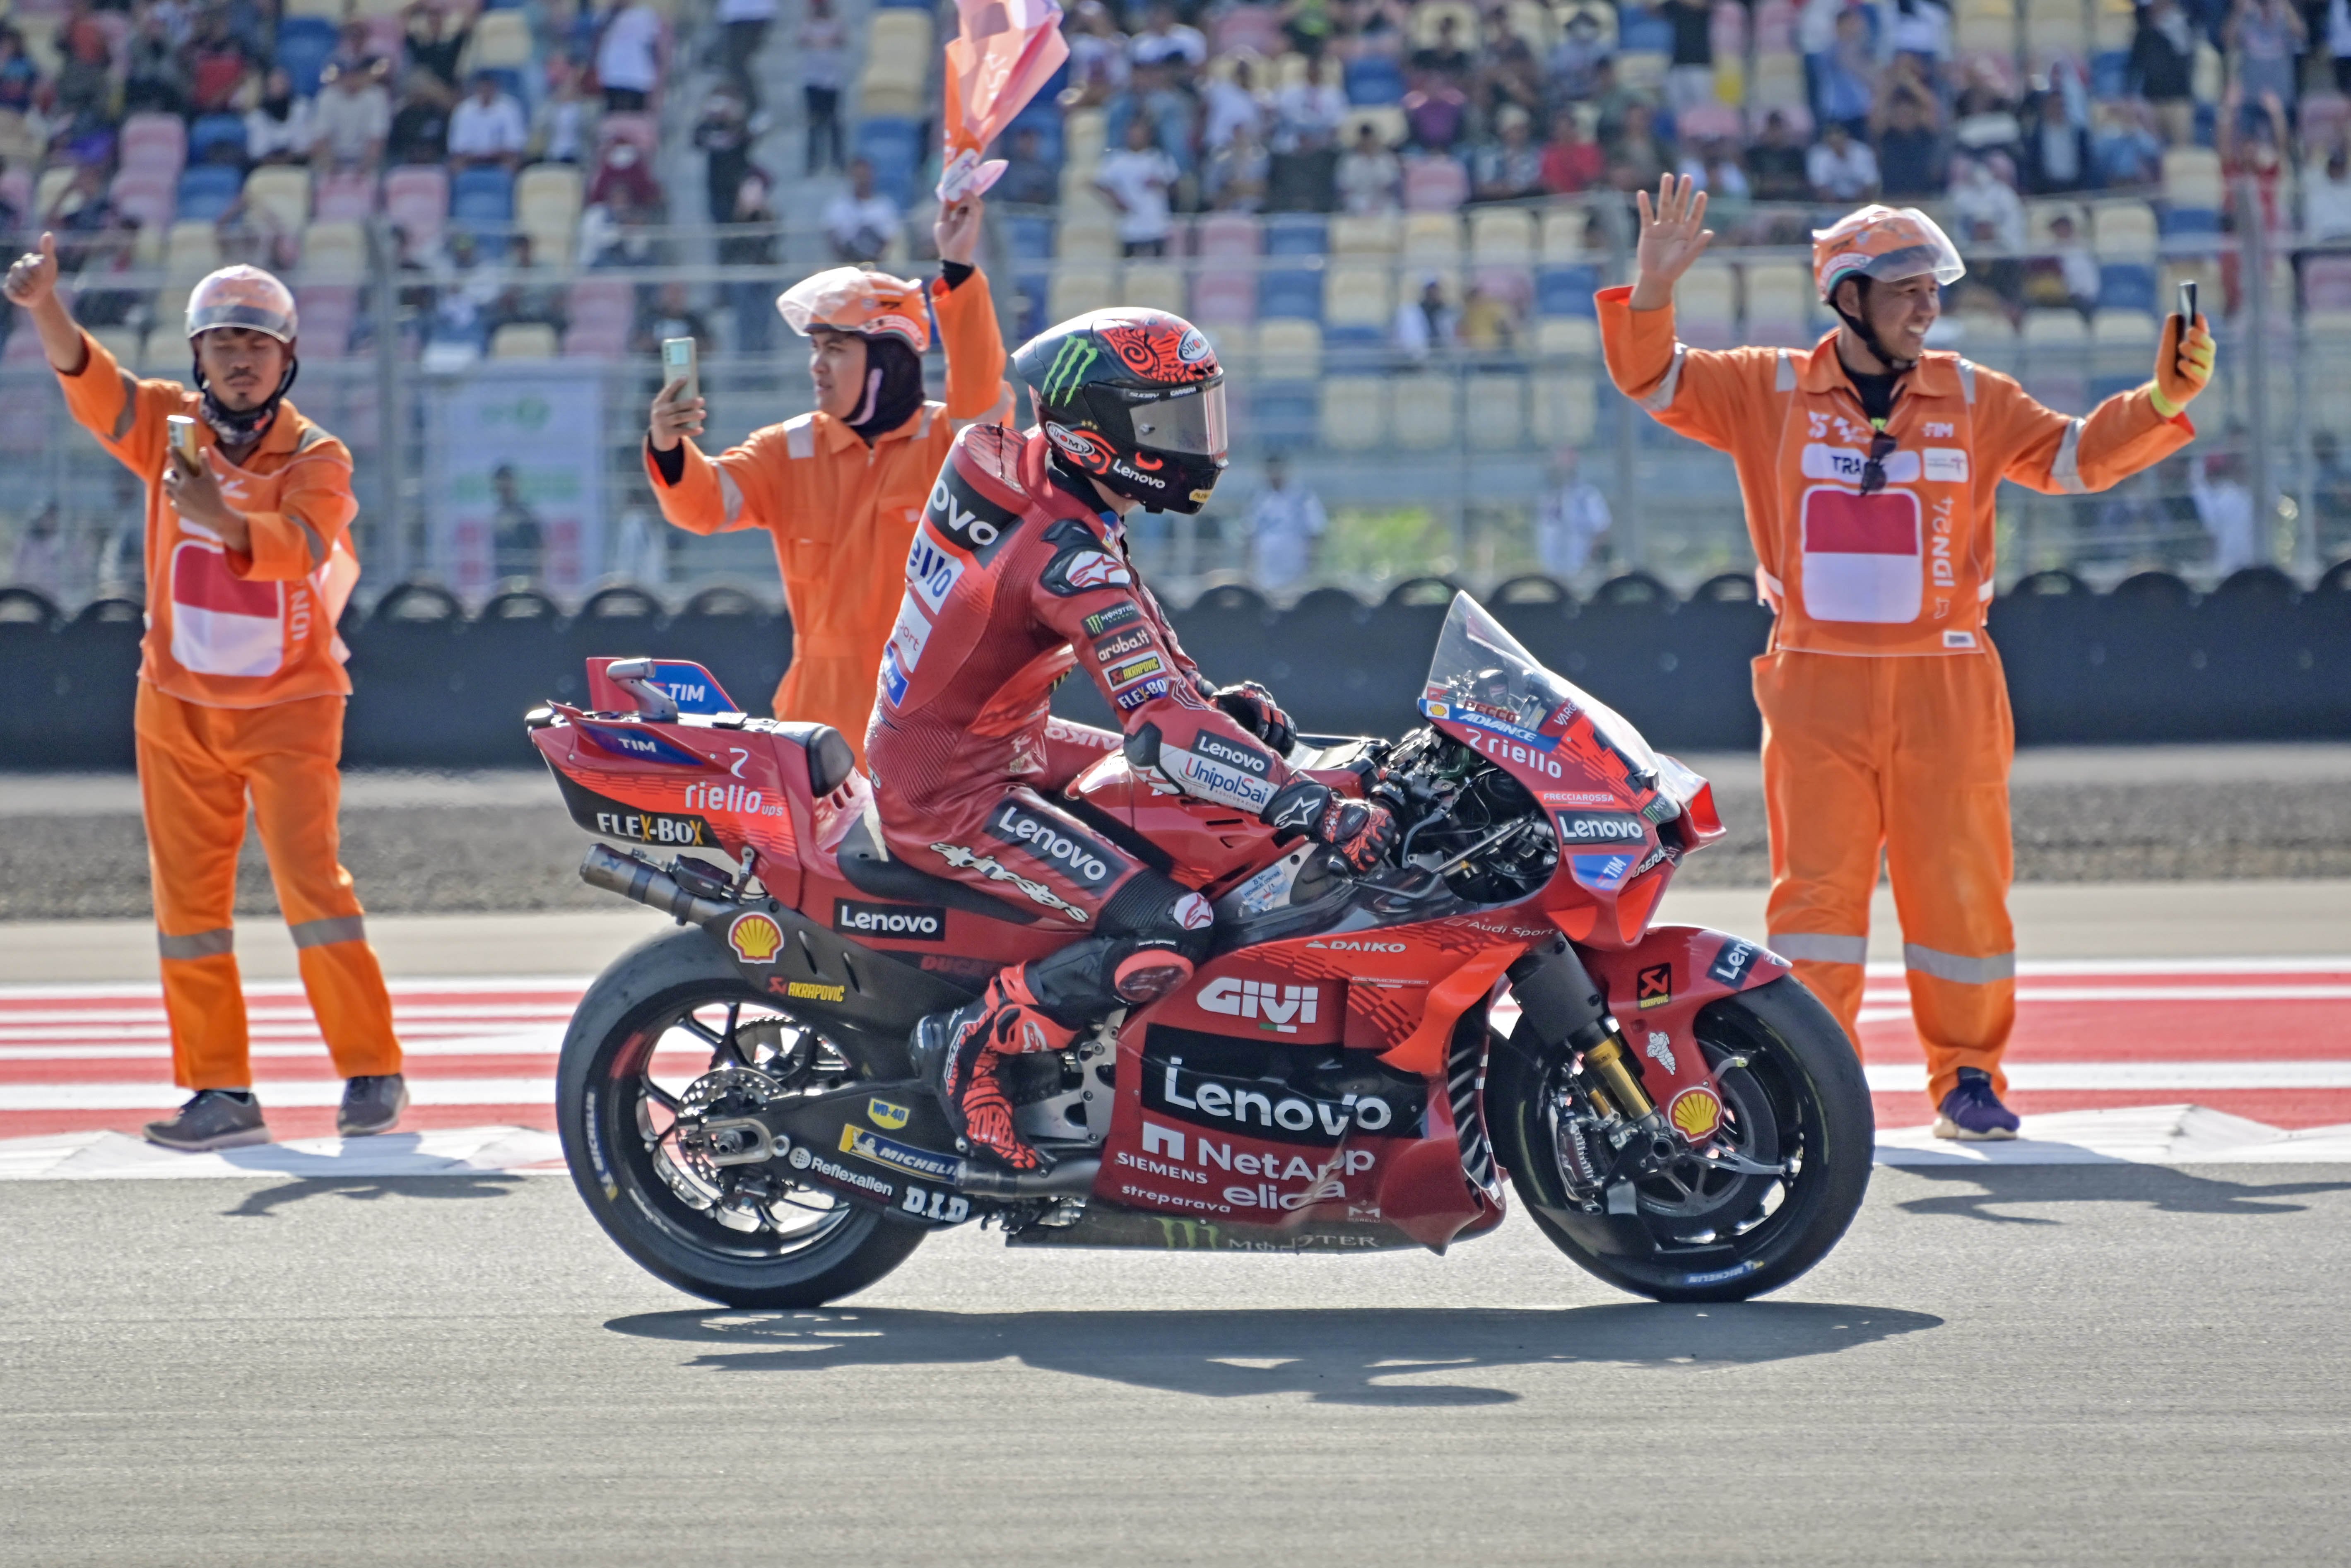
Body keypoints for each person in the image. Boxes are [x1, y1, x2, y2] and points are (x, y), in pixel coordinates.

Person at [1599, 179, 2212, 1140]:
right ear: (1848, 298)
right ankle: (1813, 1078)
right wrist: (1653, 290)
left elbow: (2076, 458)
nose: (1927, 306)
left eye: (1933, 289)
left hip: (1949, 683)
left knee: (1961, 887)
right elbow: (1650, 378)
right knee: (1816, 900)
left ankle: (1967, 1075)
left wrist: (2163, 399)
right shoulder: (1765, 388)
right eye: (1906, 290)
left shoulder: (1973, 396)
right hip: (1815, 683)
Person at [874, 308, 1399, 1172]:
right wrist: (1308, 803)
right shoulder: (1063, 555)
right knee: (1174, 920)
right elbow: (1159, 729)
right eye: (1166, 425)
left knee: (1205, 822)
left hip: (988, 739)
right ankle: (972, 1044)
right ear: (1095, 431)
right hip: (949, 792)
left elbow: (1138, 635)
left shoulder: (1012, 463)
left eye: (1198, 417)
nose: (1196, 445)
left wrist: (1206, 700)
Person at [4, 241, 405, 1151]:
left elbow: (303, 547)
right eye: (223, 341)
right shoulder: (166, 424)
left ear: (286, 359)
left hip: (291, 707)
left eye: (257, 344)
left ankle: (372, 1068)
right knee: (188, 909)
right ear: (198, 355)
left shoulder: (318, 454)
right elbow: (92, 384)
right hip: (176, 704)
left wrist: (220, 515)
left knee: (312, 886)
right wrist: (43, 306)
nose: (239, 358)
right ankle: (221, 1090)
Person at [642, 197, 1008, 761]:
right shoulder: (785, 449)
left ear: (888, 359)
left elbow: (981, 391)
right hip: (814, 727)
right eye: (815, 348)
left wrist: (957, 269)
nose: (816, 365)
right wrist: (668, 448)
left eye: (835, 349)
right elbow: (706, 504)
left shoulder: (952, 443)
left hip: (931, 722)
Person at [1095, 117, 1180, 257]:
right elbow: (1100, 184)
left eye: (1140, 135)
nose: (1135, 138)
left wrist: (1159, 184)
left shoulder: (1160, 158)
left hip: (1156, 224)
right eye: (1133, 135)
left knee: (1158, 265)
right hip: (1129, 226)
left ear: (1148, 136)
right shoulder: (1116, 160)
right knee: (1129, 264)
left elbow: (1174, 189)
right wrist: (1116, 201)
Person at [1248, 453, 1327, 590]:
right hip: (1266, 566)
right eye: (1270, 471)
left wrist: (1312, 562)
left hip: (1295, 563)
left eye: (1277, 470)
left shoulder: (1303, 497)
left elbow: (1316, 530)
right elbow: (1250, 532)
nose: (1274, 475)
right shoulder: (1260, 498)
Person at [1535, 447, 1611, 579]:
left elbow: (1602, 529)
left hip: (1578, 572)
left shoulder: (1587, 496)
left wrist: (1588, 564)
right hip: (1550, 573)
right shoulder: (1547, 496)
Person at [798, 0, 846, 172]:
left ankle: (837, 161)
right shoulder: (807, 24)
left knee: (834, 122)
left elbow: (842, 39)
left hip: (832, 81)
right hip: (812, 80)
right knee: (813, 123)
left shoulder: (836, 24)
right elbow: (801, 40)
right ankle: (812, 162)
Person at [448, 70, 528, 171]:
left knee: (514, 161)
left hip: (501, 157)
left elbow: (515, 144)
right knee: (456, 164)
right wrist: (479, 154)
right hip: (471, 158)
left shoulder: (510, 107)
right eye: (483, 88)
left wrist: (493, 153)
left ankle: (505, 180)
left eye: (489, 87)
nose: (486, 91)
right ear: (476, 89)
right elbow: (458, 147)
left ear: (496, 88)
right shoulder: (464, 110)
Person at [823, 157, 899, 263]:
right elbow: (832, 238)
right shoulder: (838, 207)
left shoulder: (885, 206)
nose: (862, 181)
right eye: (858, 177)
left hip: (878, 265)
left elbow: (891, 240)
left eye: (865, 176)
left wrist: (874, 261)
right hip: (847, 263)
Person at [595, 0, 663, 111]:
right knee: (614, 116)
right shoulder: (607, 16)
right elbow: (599, 41)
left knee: (634, 116)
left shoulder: (645, 16)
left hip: (637, 78)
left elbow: (658, 48)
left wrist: (658, 78)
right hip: (612, 78)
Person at [489, 462, 544, 581]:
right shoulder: (498, 515)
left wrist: (537, 580)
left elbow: (539, 546)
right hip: (502, 582)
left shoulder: (524, 514)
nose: (504, 486)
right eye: (501, 481)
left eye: (507, 481)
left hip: (525, 581)